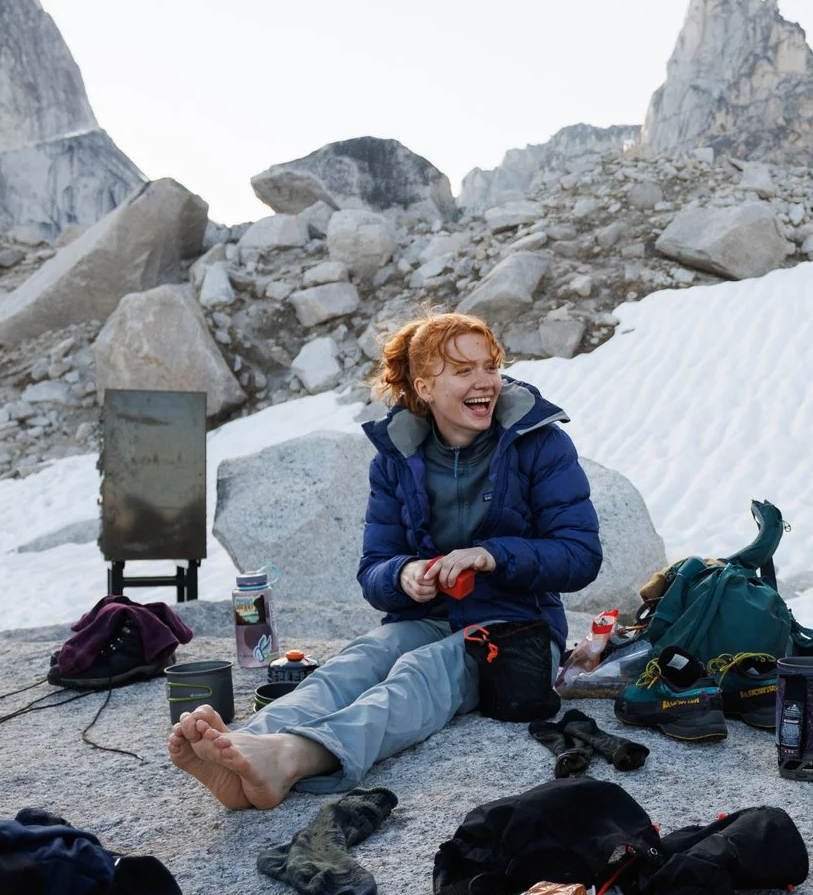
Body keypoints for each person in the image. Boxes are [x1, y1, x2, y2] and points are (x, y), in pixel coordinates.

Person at [169, 313, 602, 808]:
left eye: (490, 366)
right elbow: (373, 569)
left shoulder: (539, 443)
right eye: (463, 371)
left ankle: (292, 757)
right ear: (424, 386)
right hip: (427, 616)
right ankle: (244, 747)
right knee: (358, 661)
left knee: (420, 673)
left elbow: (580, 556)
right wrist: (402, 575)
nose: (485, 382)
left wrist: (492, 555)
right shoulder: (397, 458)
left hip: (516, 632)